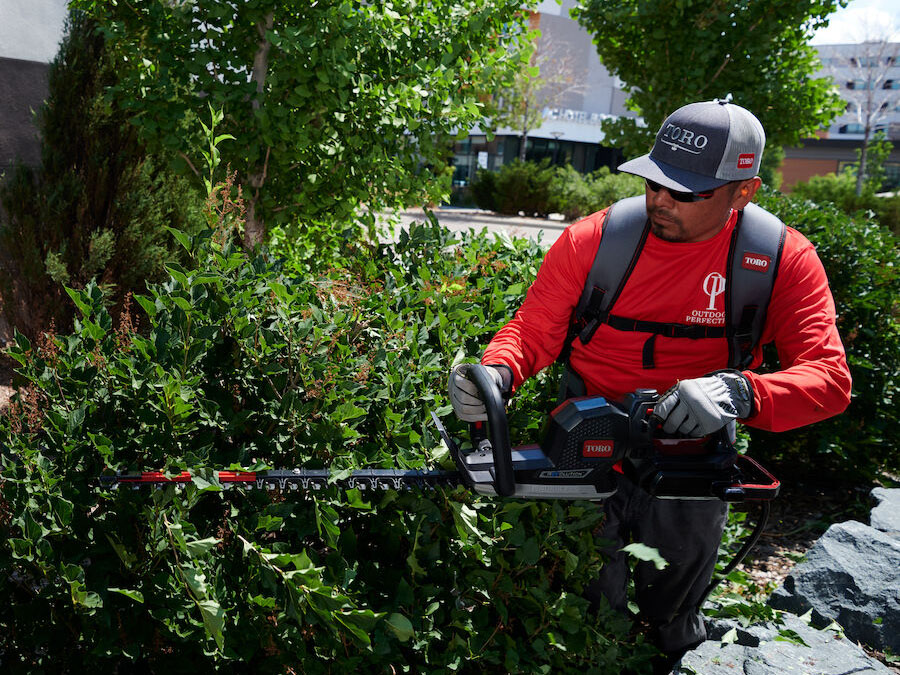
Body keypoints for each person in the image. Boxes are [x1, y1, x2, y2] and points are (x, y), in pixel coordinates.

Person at [448, 99, 851, 674]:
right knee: (583, 610)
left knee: (674, 617)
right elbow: (532, 330)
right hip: (587, 445)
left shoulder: (779, 257)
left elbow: (830, 380)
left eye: (685, 192)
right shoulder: (597, 241)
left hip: (693, 461)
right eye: (654, 181)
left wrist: (740, 393)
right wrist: (498, 372)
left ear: (743, 192)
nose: (660, 200)